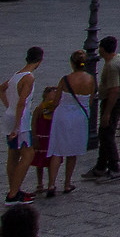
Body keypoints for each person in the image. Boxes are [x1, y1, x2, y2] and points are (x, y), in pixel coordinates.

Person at [37, 58, 92, 197]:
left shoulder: (65, 79)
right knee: (72, 152)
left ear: (72, 63)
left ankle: (51, 184)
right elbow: (90, 101)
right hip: (79, 117)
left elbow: (56, 101)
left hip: (62, 116)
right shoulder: (91, 79)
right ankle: (67, 184)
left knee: (56, 150)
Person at [0, 50, 40, 206]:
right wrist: (16, 126)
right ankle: (13, 194)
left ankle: (14, 189)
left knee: (13, 154)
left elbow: (1, 89)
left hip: (10, 115)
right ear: (39, 61)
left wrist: (9, 106)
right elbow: (22, 102)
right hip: (20, 119)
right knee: (28, 154)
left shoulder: (16, 75)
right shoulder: (29, 78)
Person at [86, 39, 120, 182]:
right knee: (104, 133)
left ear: (103, 49)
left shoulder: (111, 65)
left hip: (113, 102)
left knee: (107, 133)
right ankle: (100, 166)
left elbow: (113, 90)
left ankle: (114, 166)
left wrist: (106, 113)